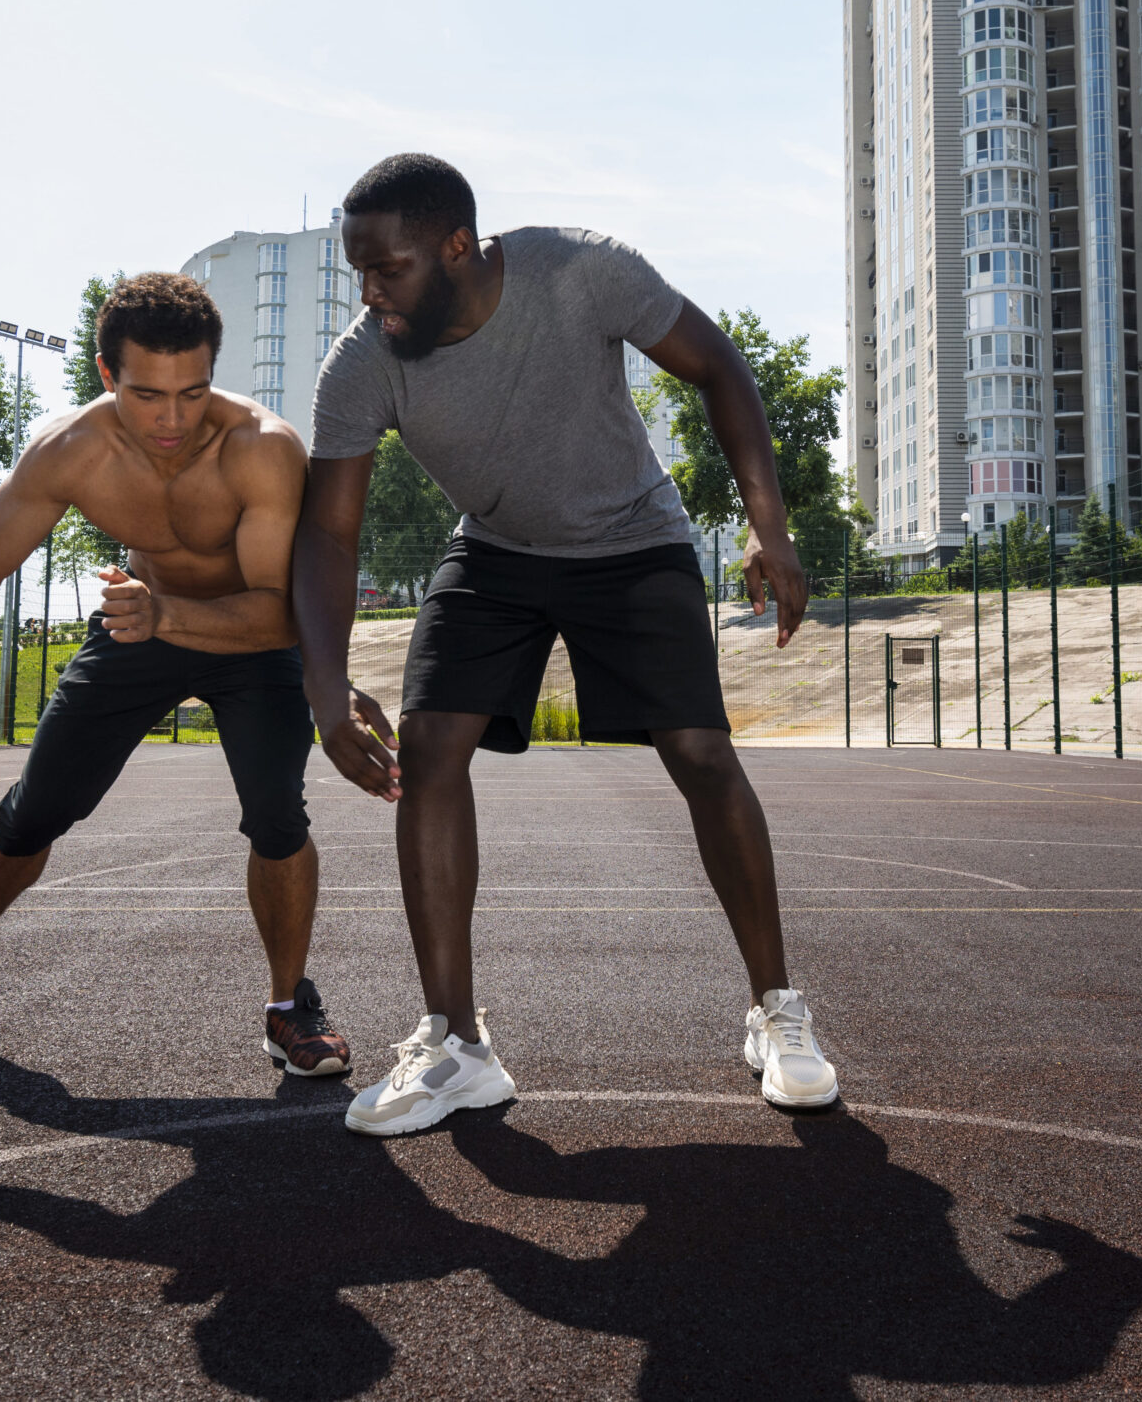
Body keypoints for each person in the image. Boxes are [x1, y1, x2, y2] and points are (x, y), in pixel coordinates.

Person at [292, 152, 839, 1137]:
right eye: (358, 273)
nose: (370, 293)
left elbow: (719, 365)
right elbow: (327, 534)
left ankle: (778, 1013)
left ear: (457, 246)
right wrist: (326, 695)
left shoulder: (582, 271)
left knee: (700, 751)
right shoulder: (363, 362)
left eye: (391, 268)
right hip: (497, 551)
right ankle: (456, 1045)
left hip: (633, 536)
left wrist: (769, 526)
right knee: (429, 742)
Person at [0, 273, 368, 1074]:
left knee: (278, 817)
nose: (172, 418)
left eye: (193, 391)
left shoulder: (262, 449)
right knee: (34, 813)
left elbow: (282, 610)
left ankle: (287, 1007)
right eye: (146, 394)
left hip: (246, 638)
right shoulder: (72, 450)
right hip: (138, 629)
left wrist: (170, 615)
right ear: (107, 375)